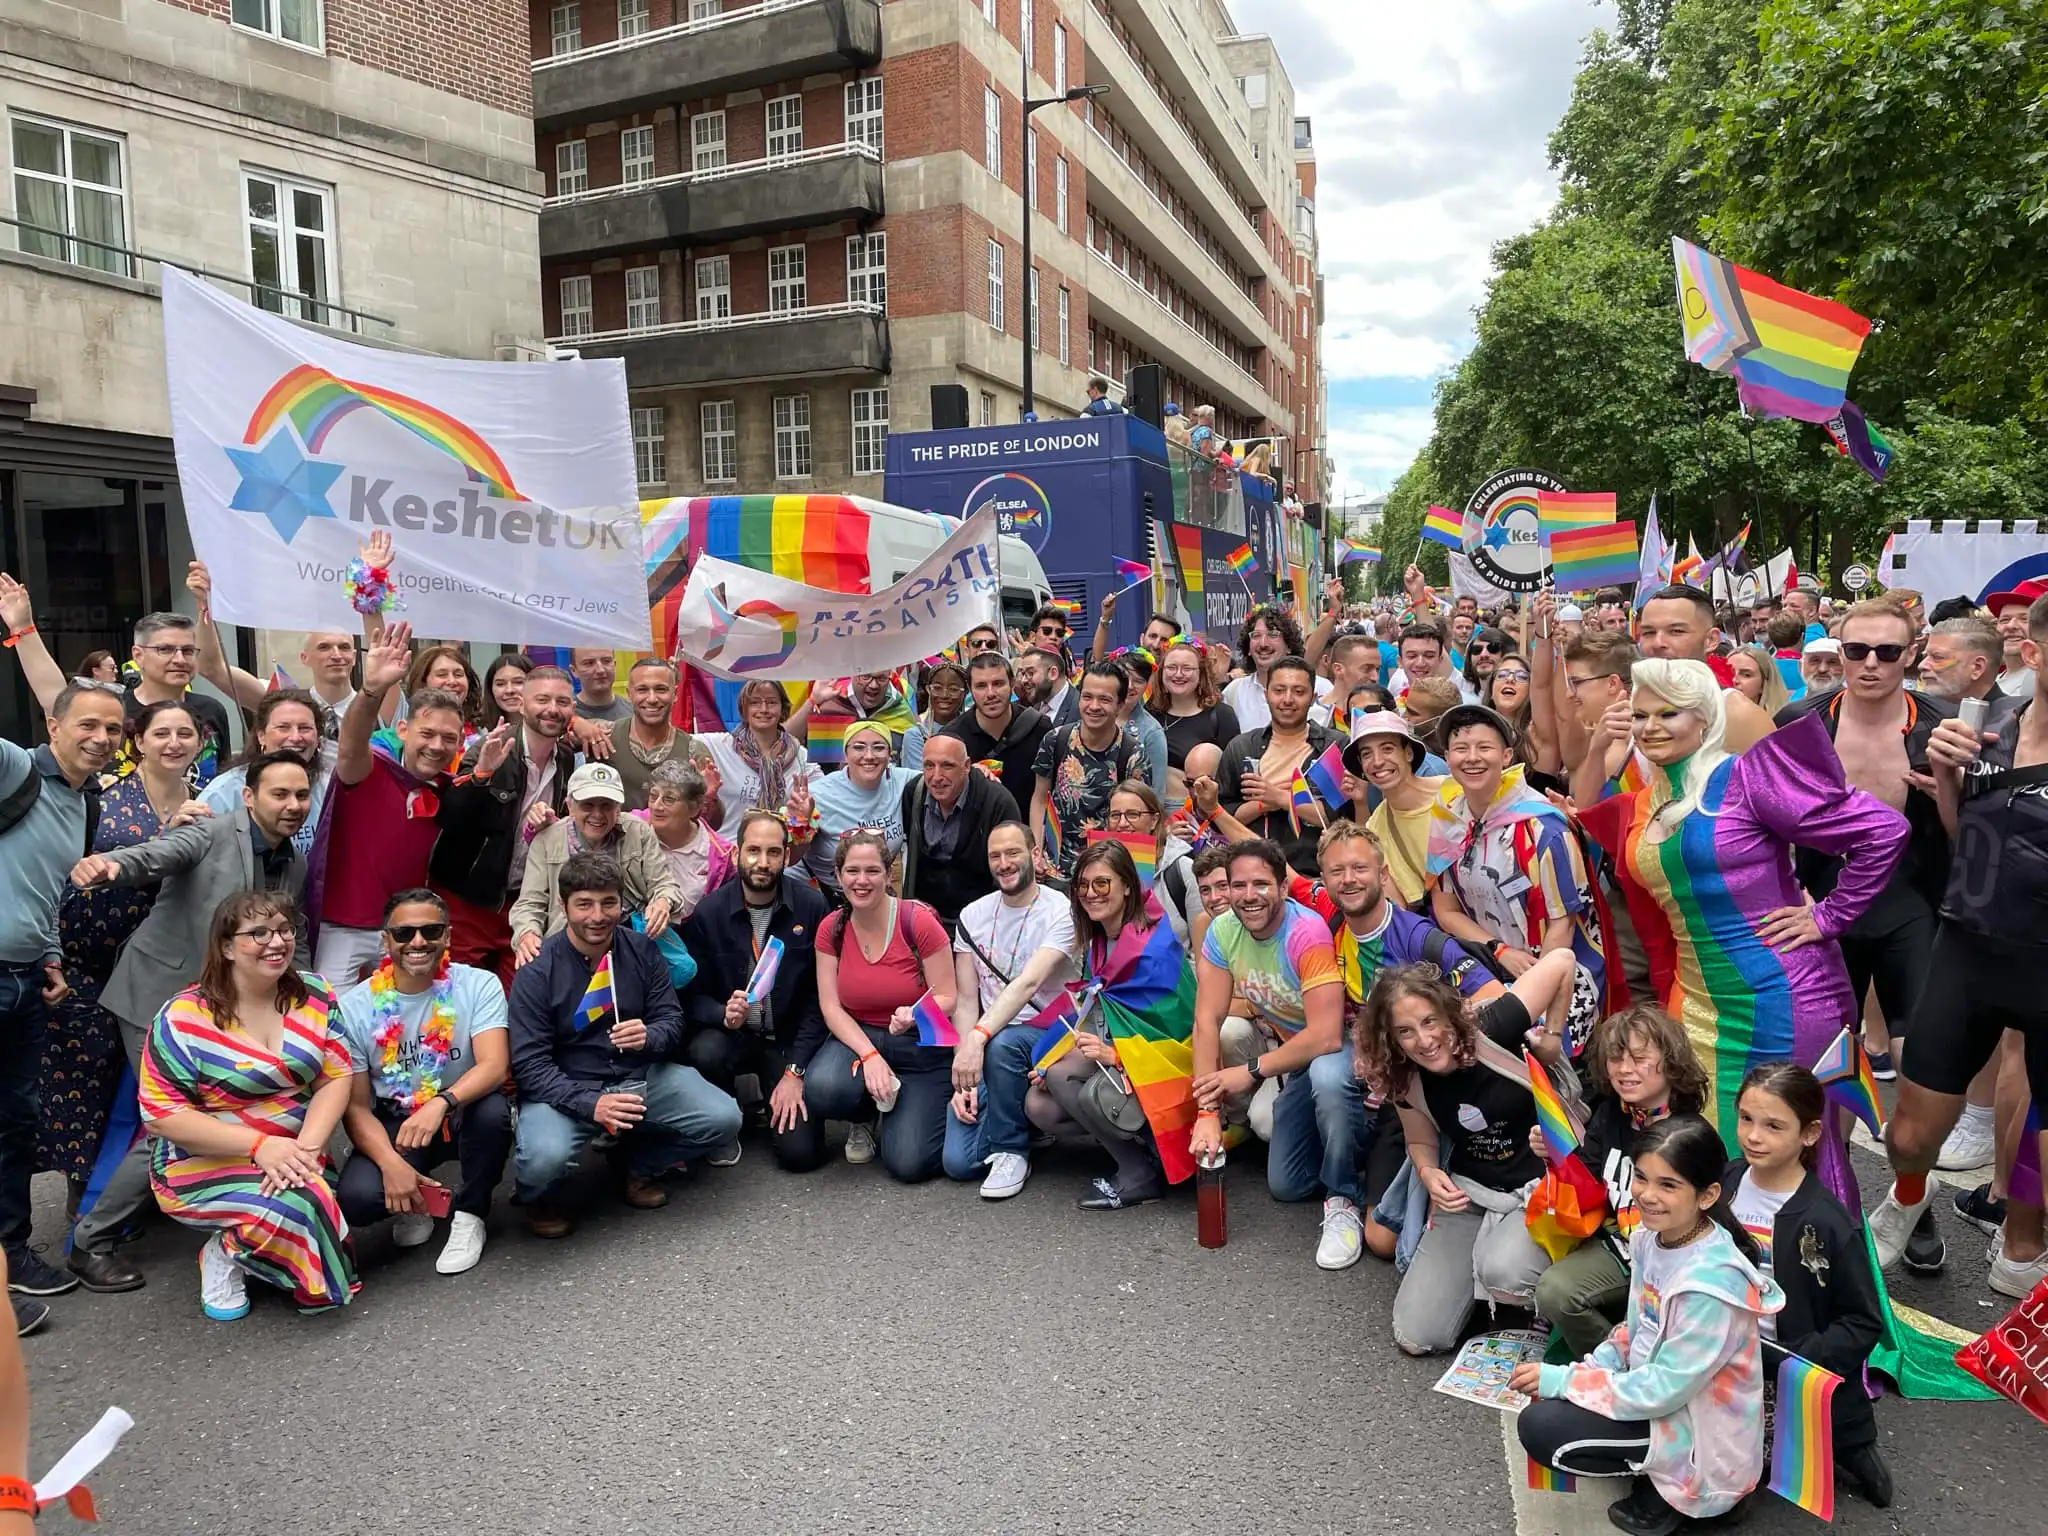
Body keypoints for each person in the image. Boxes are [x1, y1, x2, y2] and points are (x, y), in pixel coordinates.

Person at [1574, 660, 1908, 1204]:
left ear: (1705, 719)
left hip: (1782, 998)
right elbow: (1589, 821)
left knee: (1793, 1162)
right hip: (1696, 1005)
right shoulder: (1644, 801)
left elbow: (1883, 831)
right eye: (1640, 714)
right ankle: (1726, 1284)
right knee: (1711, 1156)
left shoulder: (1745, 777)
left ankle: (1825, 1284)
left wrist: (1829, 916)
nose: (1651, 726)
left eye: (1668, 713)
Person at [65, 749, 314, 1285]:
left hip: (212, 1008)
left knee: (224, 1111)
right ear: (249, 797)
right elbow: (156, 855)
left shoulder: (292, 859)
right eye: (279, 794)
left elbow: (289, 936)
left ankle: (205, 1202)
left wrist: (317, 998)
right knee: (172, 1124)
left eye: (300, 795)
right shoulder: (210, 832)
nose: (293, 805)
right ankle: (91, 1243)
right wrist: (109, 866)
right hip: (153, 997)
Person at [1868, 593, 2048, 1292]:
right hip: (1971, 950)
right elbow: (1962, 835)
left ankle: (2023, 1243)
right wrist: (1946, 778)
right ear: (2031, 654)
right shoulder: (1986, 726)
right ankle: (1907, 1199)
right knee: (1910, 1137)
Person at [1515, 1115, 1783, 1535]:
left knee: (1543, 1429)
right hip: (1666, 1400)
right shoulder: (1650, 1237)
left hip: (1705, 1437)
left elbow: (1662, 1390)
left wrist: (1566, 1383)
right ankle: (1655, 1470)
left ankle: (1691, 1496)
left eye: (1669, 1185)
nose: (1647, 1195)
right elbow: (1634, 1328)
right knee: (1554, 1403)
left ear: (1708, 1194)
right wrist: (1585, 1369)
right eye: (1641, 1178)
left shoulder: (1711, 1284)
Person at [1776, 599, 1954, 1150]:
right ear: (1841, 653)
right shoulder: (1800, 722)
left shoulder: (1942, 724)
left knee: (1917, 1055)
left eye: (1887, 651)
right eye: (1857, 650)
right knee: (1829, 1057)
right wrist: (1788, 888)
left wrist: (1949, 790)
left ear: (1912, 654)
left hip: (1913, 902)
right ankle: (1833, 1182)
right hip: (1824, 903)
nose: (1871, 663)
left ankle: (1911, 1191)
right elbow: (1766, 817)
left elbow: (1972, 834)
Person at [40, 701, 202, 1290]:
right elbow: (63, 872)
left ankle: (130, 1205)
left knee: (145, 1094)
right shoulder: (102, 796)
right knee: (90, 1089)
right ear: (142, 739)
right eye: (163, 732)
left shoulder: (206, 800)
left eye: (186, 733)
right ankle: (86, 1210)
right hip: (84, 963)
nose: (175, 742)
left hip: (160, 972)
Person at [139, 891, 358, 1320]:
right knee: (301, 1204)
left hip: (296, 1148)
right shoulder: (183, 1017)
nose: (277, 942)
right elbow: (162, 1115)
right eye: (258, 933)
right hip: (202, 1158)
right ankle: (225, 1253)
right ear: (225, 947)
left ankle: (253, 1243)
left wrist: (308, 1149)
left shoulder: (314, 992)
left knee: (309, 1191)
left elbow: (336, 1075)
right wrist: (260, 1145)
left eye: (284, 930)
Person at [1354, 951, 1580, 1353]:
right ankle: (1478, 1280)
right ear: (1392, 1040)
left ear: (1447, 1015)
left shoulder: (1493, 1027)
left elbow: (1562, 960)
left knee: (1506, 1273)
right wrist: (1426, 1173)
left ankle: (1524, 1290)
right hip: (1469, 1191)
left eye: (1429, 1022)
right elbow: (1421, 1141)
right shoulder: (1404, 1076)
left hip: (1538, 1187)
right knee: (1417, 1336)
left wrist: (1553, 1040)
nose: (1423, 1041)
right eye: (1405, 1032)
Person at [507, 852, 742, 1236]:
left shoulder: (641, 949)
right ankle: (539, 1196)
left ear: (621, 902)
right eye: (584, 904)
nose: (597, 916)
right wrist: (591, 1104)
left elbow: (672, 1020)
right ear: (564, 907)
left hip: (638, 1074)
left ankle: (638, 1166)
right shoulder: (537, 970)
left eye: (608, 903)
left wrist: (650, 1036)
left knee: (723, 1118)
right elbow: (530, 1066)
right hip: (568, 1087)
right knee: (543, 1158)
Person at [1299, 822, 1503, 1260]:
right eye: (1337, 871)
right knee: (1325, 1072)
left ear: (1383, 873)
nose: (1349, 879)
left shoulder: (1418, 936)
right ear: (1325, 880)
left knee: (1385, 1242)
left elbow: (1493, 996)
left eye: (1359, 868)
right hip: (1382, 1077)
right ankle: (1343, 1193)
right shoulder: (1329, 926)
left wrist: (1437, 1045)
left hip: (1424, 1088)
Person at [0, 680, 123, 1325]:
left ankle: (12, 1254)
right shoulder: (16, 767)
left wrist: (49, 955)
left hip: (24, 978)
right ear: (53, 726)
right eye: (87, 725)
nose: (100, 739)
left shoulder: (83, 801)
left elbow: (41, 889)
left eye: (112, 729)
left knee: (13, 1125)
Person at [1187, 841, 1362, 1264]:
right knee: (1287, 1184)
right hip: (1292, 1052)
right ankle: (1360, 1147)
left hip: (1349, 1042)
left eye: (1262, 884)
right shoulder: (1222, 931)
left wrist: (1250, 1071)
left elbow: (1326, 1036)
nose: (1249, 895)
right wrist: (1207, 1114)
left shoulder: (1307, 931)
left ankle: (1346, 1198)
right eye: (1239, 885)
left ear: (1284, 887)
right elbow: (1205, 1021)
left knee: (1327, 1075)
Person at [1726, 1065, 1892, 1510]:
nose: (1753, 1136)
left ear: (1811, 1133)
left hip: (1793, 1367)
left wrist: (1804, 1359)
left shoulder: (1828, 1220)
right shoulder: (1724, 1185)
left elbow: (1862, 1321)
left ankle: (1850, 1442)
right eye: (1746, 1118)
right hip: (1722, 1357)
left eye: (1773, 1125)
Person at [334, 890, 512, 1277]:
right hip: (397, 1120)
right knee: (358, 1198)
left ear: (447, 936)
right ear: (385, 941)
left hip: (461, 1108)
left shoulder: (479, 985)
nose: (418, 942)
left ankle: (471, 1214)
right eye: (404, 933)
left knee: (494, 1114)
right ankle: (416, 1202)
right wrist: (389, 1163)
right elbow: (357, 1107)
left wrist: (442, 1102)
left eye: (430, 931)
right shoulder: (354, 1007)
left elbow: (495, 1066)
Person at [1426, 704, 1607, 1053]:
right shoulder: (1448, 821)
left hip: (1560, 970)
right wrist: (1499, 950)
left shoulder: (1544, 827)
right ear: (1447, 757)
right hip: (1488, 965)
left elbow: (1563, 927)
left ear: (1507, 755)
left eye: (1485, 747)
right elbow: (1447, 911)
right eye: (1461, 749)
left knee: (1522, 1051)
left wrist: (1537, 991)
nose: (1472, 758)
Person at [1026, 839, 1197, 1209]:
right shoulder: (1100, 939)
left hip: (1167, 1068)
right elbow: (1097, 1011)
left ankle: (1138, 1174)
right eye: (1083, 886)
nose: (1091, 893)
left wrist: (1116, 1054)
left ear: (1127, 887)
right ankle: (1148, 1148)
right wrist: (1053, 1056)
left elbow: (1176, 1035)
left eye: (1102, 883)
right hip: (1121, 1055)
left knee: (1064, 1078)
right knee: (1039, 1104)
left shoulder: (1155, 950)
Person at [1534, 1004, 1710, 1357]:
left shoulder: (1690, 1134)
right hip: (1620, 1245)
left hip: (1673, 1258)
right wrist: (1552, 1151)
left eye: (1640, 1058)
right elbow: (1585, 1178)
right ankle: (1617, 1362)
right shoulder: (1611, 1113)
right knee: (1553, 1288)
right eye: (1616, 1059)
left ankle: (1642, 1370)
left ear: (1672, 1062)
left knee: (1561, 1292)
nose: (1625, 1070)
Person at [785, 832, 956, 1181]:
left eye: (872, 871)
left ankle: (904, 1107)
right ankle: (863, 1115)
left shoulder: (917, 921)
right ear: (838, 874)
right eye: (852, 871)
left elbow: (949, 997)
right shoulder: (830, 929)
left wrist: (916, 1014)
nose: (862, 881)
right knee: (824, 1089)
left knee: (909, 1165)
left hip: (917, 1044)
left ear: (888, 873)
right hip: (858, 1037)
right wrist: (870, 1056)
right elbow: (831, 1007)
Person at [318, 623, 464, 984]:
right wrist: (371, 689)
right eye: (426, 734)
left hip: (408, 934)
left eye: (449, 738)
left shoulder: (453, 792)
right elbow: (352, 741)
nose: (436, 745)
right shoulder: (369, 769)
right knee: (333, 1027)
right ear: (403, 731)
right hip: (343, 930)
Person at [942, 822, 1077, 1198]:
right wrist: (963, 1071)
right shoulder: (972, 916)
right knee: (959, 1162)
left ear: (1035, 855)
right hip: (990, 1042)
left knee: (1004, 1043)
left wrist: (978, 1038)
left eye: (1013, 852)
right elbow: (968, 1000)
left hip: (1048, 1034)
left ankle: (1011, 1149)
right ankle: (1025, 1125)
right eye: (995, 856)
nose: (1004, 863)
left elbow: (1029, 983)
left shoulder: (1061, 911)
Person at [678, 811, 831, 1132]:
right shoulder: (710, 913)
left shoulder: (811, 906)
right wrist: (722, 1012)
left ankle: (770, 1088)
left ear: (787, 857)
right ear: (736, 853)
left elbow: (821, 997)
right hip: (732, 1036)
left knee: (800, 1154)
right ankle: (731, 1112)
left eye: (773, 852)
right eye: (754, 850)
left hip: (786, 1039)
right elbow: (690, 996)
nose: (763, 862)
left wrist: (796, 1071)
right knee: (704, 1051)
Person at [427, 663, 578, 986]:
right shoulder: (490, 748)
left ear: (572, 709)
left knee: (520, 997)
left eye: (562, 702)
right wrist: (481, 775)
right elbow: (450, 817)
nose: (552, 709)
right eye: (543, 700)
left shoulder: (565, 758)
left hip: (522, 903)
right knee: (455, 996)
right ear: (522, 704)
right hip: (469, 899)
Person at [511, 762, 679, 961]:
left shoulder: (638, 831)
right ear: (570, 807)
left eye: (606, 805)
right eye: (588, 805)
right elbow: (530, 903)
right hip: (568, 941)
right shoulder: (547, 839)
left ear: (618, 808)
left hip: (629, 938)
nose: (597, 814)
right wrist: (527, 934)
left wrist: (662, 901)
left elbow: (664, 883)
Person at [1200, 657, 1343, 876]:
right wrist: (1261, 805)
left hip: (1317, 875)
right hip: (1253, 873)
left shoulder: (1334, 746)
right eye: (1279, 690)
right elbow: (1222, 819)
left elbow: (1336, 820)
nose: (1287, 699)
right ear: (1266, 695)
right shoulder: (1242, 747)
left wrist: (1280, 798)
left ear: (1313, 698)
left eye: (1298, 691)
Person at [898, 733, 1021, 930]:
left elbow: (1010, 868)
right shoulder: (914, 793)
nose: (936, 777)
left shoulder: (996, 802)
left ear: (967, 766)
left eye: (947, 766)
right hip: (926, 921)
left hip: (982, 923)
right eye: (929, 765)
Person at [1030, 664, 1141, 881]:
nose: (1094, 706)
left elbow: (1137, 820)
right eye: (1087, 697)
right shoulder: (1055, 740)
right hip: (1054, 871)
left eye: (1105, 700)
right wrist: (1036, 852)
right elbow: (1040, 798)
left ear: (1119, 705)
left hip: (1107, 874)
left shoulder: (1132, 754)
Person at [1635, 586, 1774, 751]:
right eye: (1648, 632)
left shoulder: (1739, 715)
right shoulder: (1630, 709)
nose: (1658, 643)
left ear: (1711, 640)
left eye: (1676, 631)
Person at [200, 690, 333, 860]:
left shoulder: (329, 787)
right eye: (283, 727)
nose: (295, 737)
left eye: (305, 728)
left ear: (318, 738)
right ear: (261, 736)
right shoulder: (223, 793)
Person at [803, 720, 915, 895]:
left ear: (890, 754)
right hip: (824, 893)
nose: (869, 756)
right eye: (859, 747)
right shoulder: (818, 795)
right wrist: (800, 822)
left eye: (878, 747)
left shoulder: (900, 781)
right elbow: (792, 857)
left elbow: (941, 775)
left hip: (875, 892)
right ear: (845, 755)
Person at [699, 679, 817, 842]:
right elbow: (671, 738)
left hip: (779, 853)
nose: (764, 709)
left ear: (783, 707)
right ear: (743, 708)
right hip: (727, 855)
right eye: (755, 702)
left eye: (771, 702)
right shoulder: (718, 746)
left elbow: (821, 805)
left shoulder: (802, 758)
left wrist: (802, 815)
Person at [942, 652, 1051, 824]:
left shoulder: (1040, 728)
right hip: (974, 842)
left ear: (1012, 683)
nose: (990, 693)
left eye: (998, 683)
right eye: (981, 686)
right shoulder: (952, 738)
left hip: (1027, 839)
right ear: (970, 690)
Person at [631, 759, 732, 922]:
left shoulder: (722, 856)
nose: (657, 806)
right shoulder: (630, 829)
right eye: (653, 796)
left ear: (694, 808)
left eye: (669, 799)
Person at [1100, 780, 1198, 942]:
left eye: (1133, 814)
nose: (1122, 824)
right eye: (1115, 815)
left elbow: (1202, 948)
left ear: (1154, 820)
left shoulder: (1182, 870)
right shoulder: (1099, 871)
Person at [1144, 640, 1238, 804]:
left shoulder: (1221, 715)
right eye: (1171, 668)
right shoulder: (1149, 712)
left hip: (1200, 813)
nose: (1178, 674)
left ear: (1200, 674)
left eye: (1187, 668)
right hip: (1153, 810)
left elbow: (1233, 774)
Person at [599, 658, 693, 809]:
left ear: (675, 694)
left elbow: (716, 820)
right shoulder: (604, 736)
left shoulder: (693, 750)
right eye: (642, 690)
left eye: (660, 689)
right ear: (629, 694)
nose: (652, 699)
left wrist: (710, 798)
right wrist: (575, 723)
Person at [1222, 605, 1332, 731]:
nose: (1263, 643)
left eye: (1273, 635)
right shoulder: (1234, 692)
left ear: (1289, 645)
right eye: (1256, 635)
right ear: (1248, 648)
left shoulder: (1322, 687)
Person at [1917, 617, 2004, 706]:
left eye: (1938, 657)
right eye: (1925, 656)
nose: (1922, 665)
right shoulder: (1918, 713)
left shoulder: (2012, 717)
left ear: (1977, 667)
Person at [900, 659, 969, 770]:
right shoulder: (917, 736)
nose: (945, 695)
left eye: (953, 689)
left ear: (965, 693)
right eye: (937, 688)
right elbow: (918, 779)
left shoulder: (974, 730)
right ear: (928, 690)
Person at [1988, 577, 2046, 697]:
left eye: (2025, 619)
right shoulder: (1987, 682)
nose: (2011, 626)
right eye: (2005, 619)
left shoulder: (2042, 685)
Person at [1015, 645, 1076, 732]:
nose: (1023, 680)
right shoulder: (1029, 706)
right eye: (1023, 673)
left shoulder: (1080, 710)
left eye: (1030, 673)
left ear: (1053, 673)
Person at [569, 648, 630, 724]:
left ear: (615, 665)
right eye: (589, 663)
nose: (600, 670)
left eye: (606, 661)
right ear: (574, 670)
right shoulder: (563, 716)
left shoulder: (635, 713)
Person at [1726, 645, 1791, 716]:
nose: (1734, 680)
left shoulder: (1782, 722)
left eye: (1746, 675)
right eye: (1728, 672)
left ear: (1764, 684)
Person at [478, 652, 533, 731]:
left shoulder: (551, 728)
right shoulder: (479, 732)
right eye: (500, 684)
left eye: (518, 682)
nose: (509, 690)